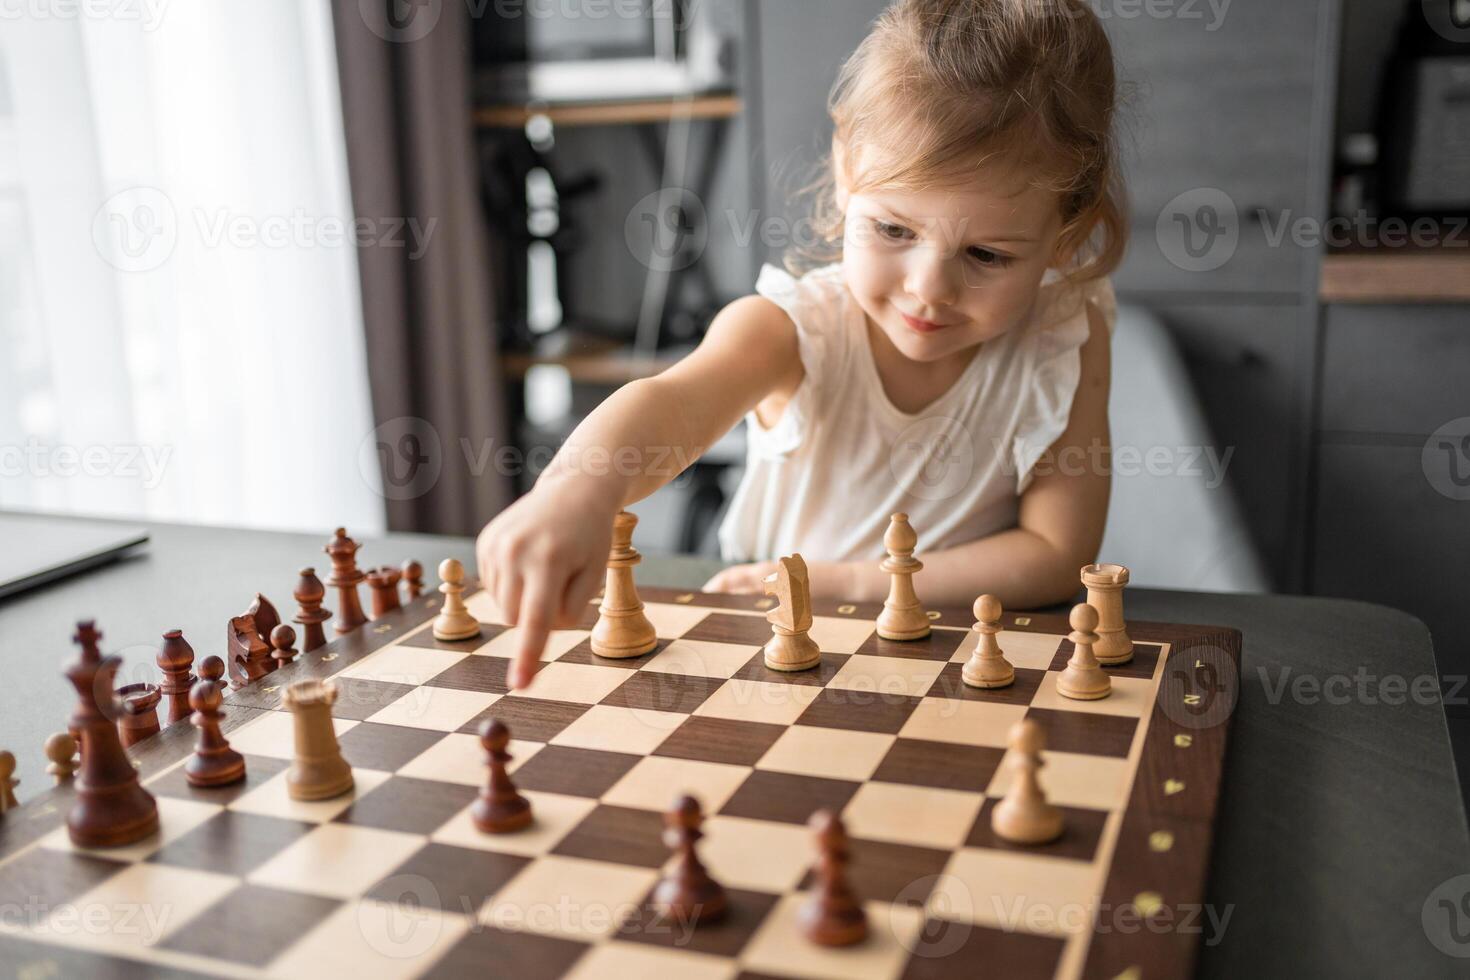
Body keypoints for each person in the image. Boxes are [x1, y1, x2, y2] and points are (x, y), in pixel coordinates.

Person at [478, 0, 1129, 689]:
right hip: (779, 664)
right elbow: (671, 406)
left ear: (1065, 229)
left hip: (967, 669)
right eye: (895, 231)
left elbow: (1059, 552)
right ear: (847, 169)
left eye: (988, 254)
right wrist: (579, 488)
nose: (929, 290)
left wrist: (849, 582)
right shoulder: (794, 327)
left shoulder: (1068, 335)